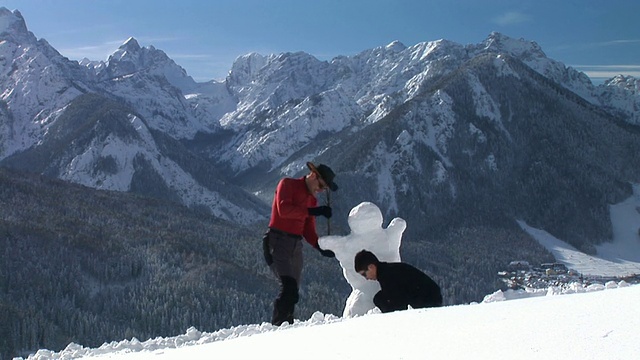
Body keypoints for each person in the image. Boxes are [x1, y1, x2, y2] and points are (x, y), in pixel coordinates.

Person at [262, 161, 338, 325]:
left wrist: (320, 247)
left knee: (293, 291)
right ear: (313, 175)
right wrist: (313, 212)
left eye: (324, 188)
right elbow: (284, 210)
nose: (320, 189)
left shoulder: (312, 200)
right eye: (321, 185)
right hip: (277, 241)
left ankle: (285, 324)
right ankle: (278, 325)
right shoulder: (287, 184)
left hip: (295, 246)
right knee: (288, 287)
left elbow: (308, 230)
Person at [354, 250, 442, 313]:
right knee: (380, 297)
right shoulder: (388, 271)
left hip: (430, 300)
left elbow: (398, 306)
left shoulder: (387, 276)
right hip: (432, 296)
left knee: (379, 299)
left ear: (371, 267)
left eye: (364, 274)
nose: (366, 278)